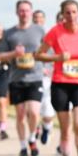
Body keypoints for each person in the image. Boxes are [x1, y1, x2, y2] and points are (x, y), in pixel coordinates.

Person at [36, 0, 78, 156]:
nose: (71, 16)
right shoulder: (55, 32)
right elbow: (38, 54)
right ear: (62, 14)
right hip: (60, 83)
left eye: (74, 12)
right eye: (67, 13)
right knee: (65, 128)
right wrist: (58, 57)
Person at [0, 0, 45, 156]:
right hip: (16, 78)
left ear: (31, 12)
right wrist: (13, 54)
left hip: (35, 77)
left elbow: (48, 51)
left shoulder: (39, 31)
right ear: (17, 13)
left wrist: (42, 59)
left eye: (27, 10)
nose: (24, 13)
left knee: (34, 111)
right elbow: (0, 56)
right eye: (21, 11)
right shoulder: (9, 33)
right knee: (20, 115)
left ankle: (32, 138)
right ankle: (23, 147)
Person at [33, 9, 55, 146]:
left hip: (47, 78)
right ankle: (35, 129)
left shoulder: (50, 36)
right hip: (31, 77)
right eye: (35, 18)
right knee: (33, 108)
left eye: (40, 18)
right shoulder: (28, 36)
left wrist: (50, 69)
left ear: (44, 20)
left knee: (47, 108)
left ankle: (47, 127)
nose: (37, 20)